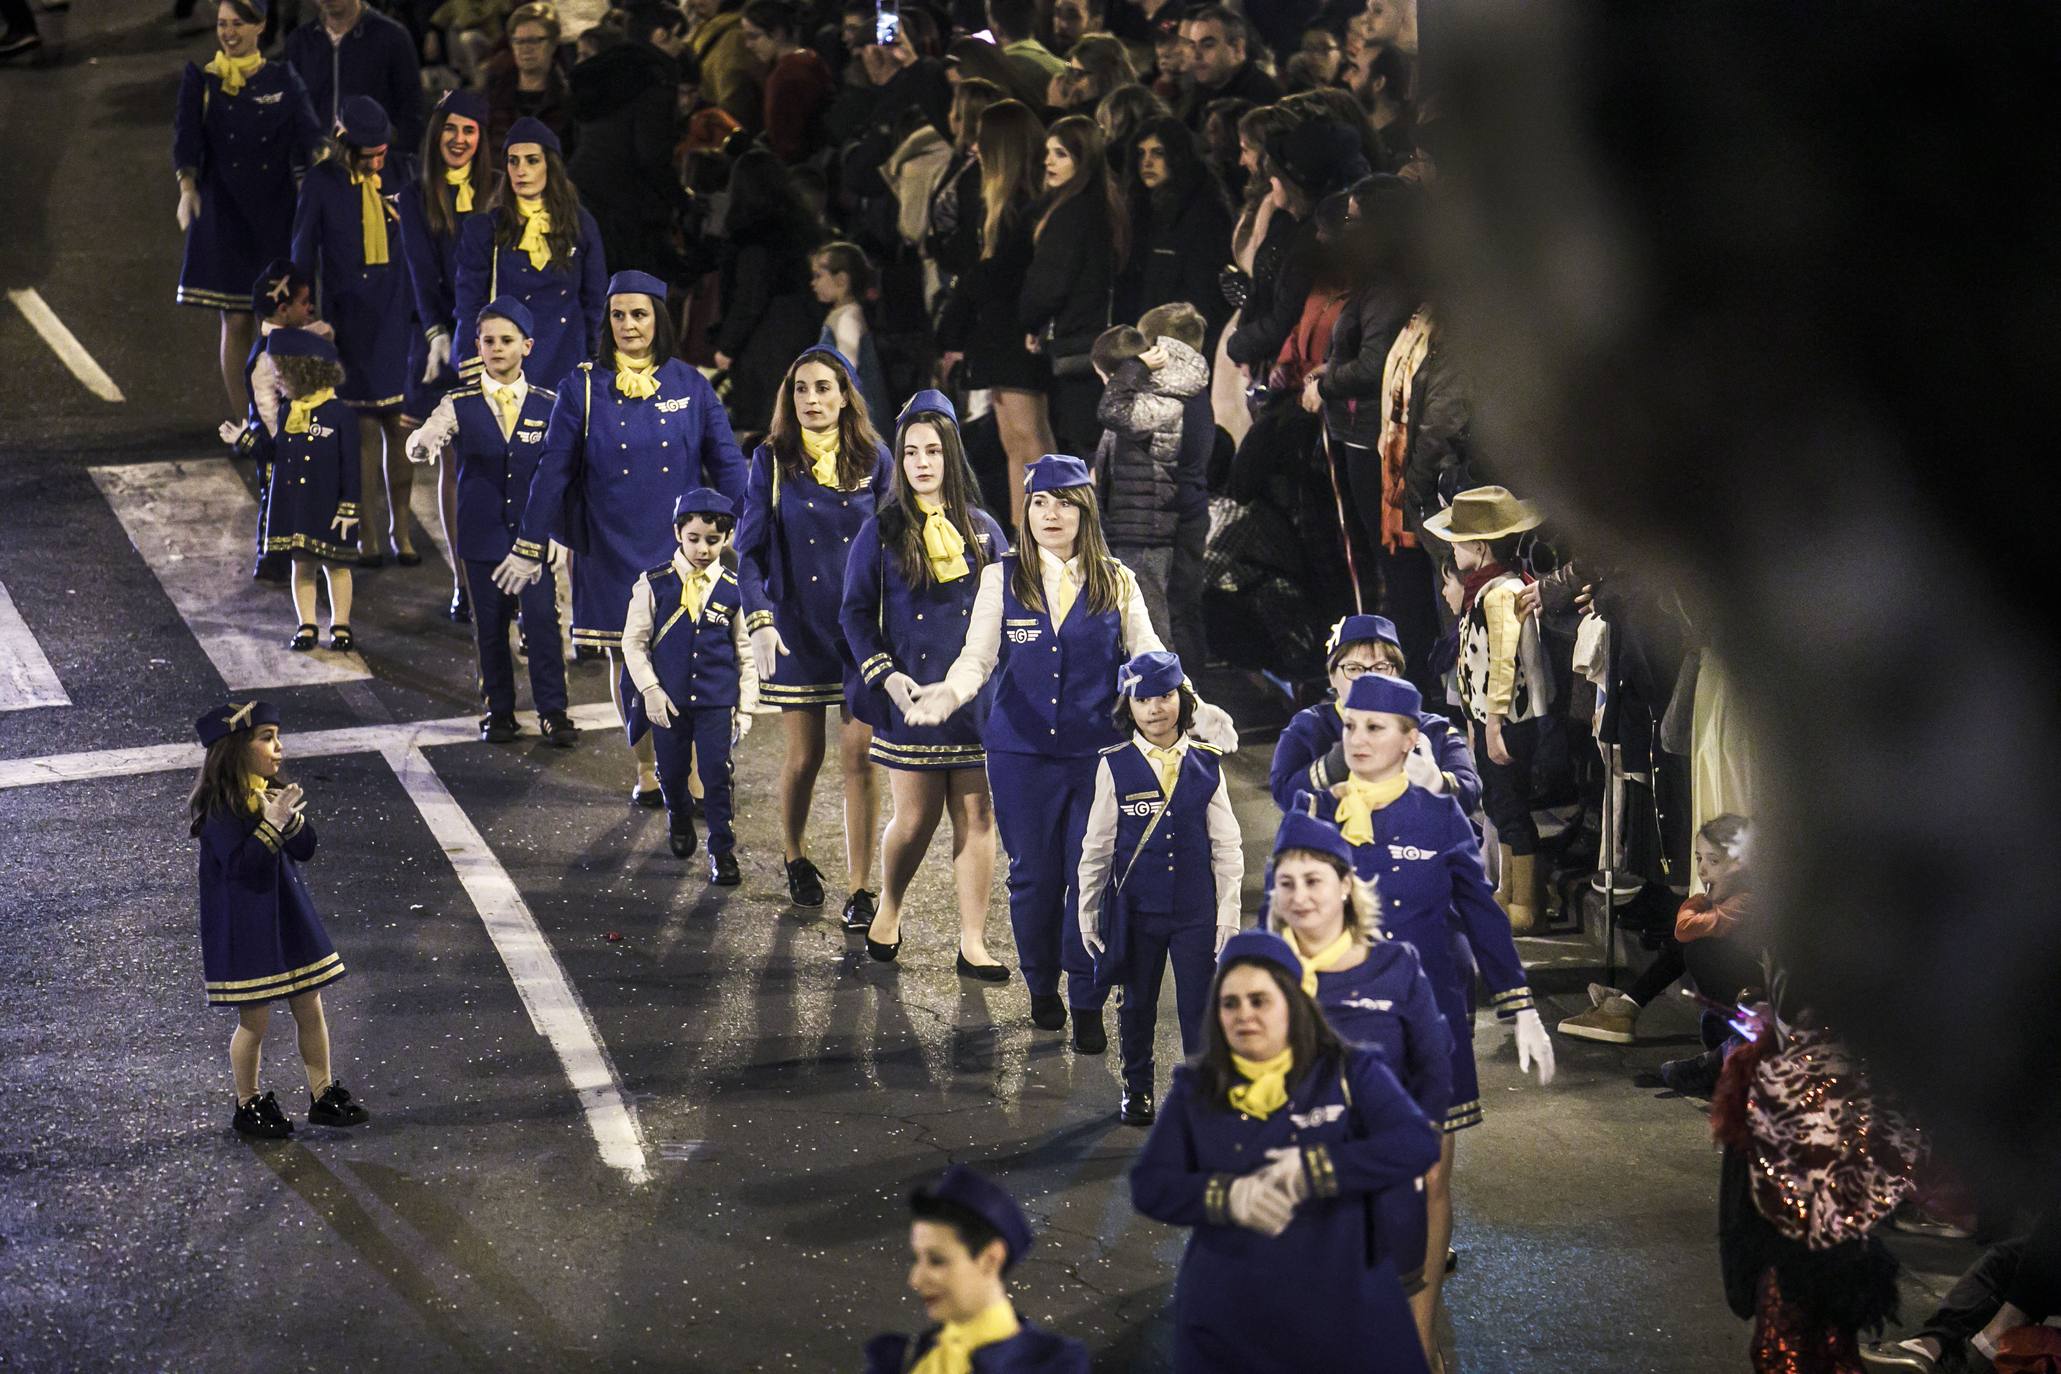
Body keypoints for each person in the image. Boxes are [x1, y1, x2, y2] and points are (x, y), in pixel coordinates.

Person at [904, 454, 1236, 1050]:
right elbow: (977, 659)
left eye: (1063, 502)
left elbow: (1148, 656)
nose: (1050, 514)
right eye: (1038, 502)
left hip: (1097, 756)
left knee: (1093, 876)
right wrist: (950, 692)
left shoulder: (1117, 579)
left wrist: (1196, 706)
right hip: (1019, 756)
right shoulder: (999, 579)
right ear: (1025, 509)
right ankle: (1041, 985)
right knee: (1034, 878)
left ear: (1086, 511)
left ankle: (1085, 995)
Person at [1289, 670, 1555, 1343]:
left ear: (1410, 739)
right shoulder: (1313, 812)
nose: (1358, 739)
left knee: (1430, 1179)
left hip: (1427, 1028)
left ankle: (1417, 1331)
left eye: (1375, 728)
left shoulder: (1440, 818)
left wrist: (1519, 1002)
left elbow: (1481, 915)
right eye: (1350, 726)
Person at [1128, 929, 1442, 1374]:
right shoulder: (1195, 1090)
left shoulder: (1351, 1071)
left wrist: (1317, 1168)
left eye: (1260, 1000)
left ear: (1292, 1005)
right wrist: (1226, 1196)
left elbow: (1415, 1142)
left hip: (1342, 1307)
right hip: (1232, 1317)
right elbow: (1151, 1185)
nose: (1244, 1015)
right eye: (1229, 1003)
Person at [493, 270, 747, 799]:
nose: (629, 325)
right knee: (629, 662)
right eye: (619, 315)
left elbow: (727, 464)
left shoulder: (690, 384)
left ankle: (696, 772)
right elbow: (553, 471)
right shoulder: (581, 385)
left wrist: (759, 531)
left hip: (683, 549)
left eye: (640, 314)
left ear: (659, 319)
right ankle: (648, 770)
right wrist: (529, 543)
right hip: (608, 546)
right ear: (607, 321)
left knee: (691, 660)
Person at [1267, 806, 1453, 1356]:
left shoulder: (1396, 967)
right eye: (1287, 883)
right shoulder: (1263, 973)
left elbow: (1432, 1068)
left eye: (1314, 880)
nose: (1301, 896)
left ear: (1346, 886)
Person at [838, 391, 1011, 976]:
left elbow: (1008, 612)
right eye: (911, 451)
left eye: (933, 450)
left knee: (977, 816)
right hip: (907, 697)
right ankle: (888, 907)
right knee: (915, 820)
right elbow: (855, 614)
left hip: (971, 702)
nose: (921, 462)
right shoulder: (880, 530)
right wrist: (885, 679)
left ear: (951, 457)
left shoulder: (986, 532)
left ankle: (972, 941)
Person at [735, 346, 892, 916]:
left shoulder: (875, 458)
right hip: (798, 626)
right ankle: (795, 855)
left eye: (824, 388)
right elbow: (747, 551)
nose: (812, 399)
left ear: (846, 394)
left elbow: (899, 543)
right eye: (801, 389)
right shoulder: (771, 460)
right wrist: (758, 619)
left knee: (861, 757)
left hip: (861, 631)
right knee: (805, 758)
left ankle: (859, 888)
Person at [189, 700, 370, 1139]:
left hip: (284, 916)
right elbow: (242, 866)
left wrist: (287, 821)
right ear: (235, 749)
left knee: (310, 1006)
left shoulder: (266, 795)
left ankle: (323, 1093)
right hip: (248, 926)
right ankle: (247, 1102)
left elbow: (306, 847)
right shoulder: (221, 810)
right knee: (255, 1021)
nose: (278, 747)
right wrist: (270, 825)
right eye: (266, 738)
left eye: (277, 736)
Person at [1075, 650, 1242, 1125]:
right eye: (1142, 698)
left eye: (1165, 696)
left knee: (1199, 1007)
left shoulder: (1209, 764)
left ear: (1182, 699)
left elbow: (1227, 846)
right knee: (1137, 1006)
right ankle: (1138, 1087)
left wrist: (1228, 912)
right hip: (1136, 911)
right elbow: (1098, 844)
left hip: (1196, 912)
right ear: (1127, 705)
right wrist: (1087, 911)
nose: (1155, 709)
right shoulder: (1115, 764)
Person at [403, 298, 577, 747]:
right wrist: (420, 444)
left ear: (527, 346)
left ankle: (553, 712)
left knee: (542, 624)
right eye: (488, 341)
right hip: (481, 538)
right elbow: (428, 436)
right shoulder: (459, 403)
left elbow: (562, 474)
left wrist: (556, 530)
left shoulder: (550, 404)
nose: (497, 349)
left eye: (506, 340)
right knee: (491, 627)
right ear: (477, 346)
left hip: (533, 538)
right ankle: (498, 711)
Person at [173, 0, 322, 420]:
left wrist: (328, 165)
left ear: (260, 27)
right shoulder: (202, 80)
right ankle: (246, 422)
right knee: (236, 320)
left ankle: (286, 414)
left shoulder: (282, 77)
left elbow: (309, 133)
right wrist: (187, 186)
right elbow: (187, 138)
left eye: (238, 23)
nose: (229, 32)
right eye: (222, 24)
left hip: (275, 213)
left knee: (279, 321)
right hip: (226, 213)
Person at [289, 95, 420, 569]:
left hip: (398, 311)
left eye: (382, 151)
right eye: (369, 154)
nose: (378, 160)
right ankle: (369, 535)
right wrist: (304, 318)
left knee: (401, 425)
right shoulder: (323, 183)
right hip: (351, 319)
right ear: (347, 147)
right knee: (365, 429)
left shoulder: (400, 175)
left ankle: (401, 530)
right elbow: (303, 249)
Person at [1420, 485, 1552, 930]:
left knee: (1512, 807)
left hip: (1509, 719)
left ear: (1478, 547)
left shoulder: (1500, 593)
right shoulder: (1484, 590)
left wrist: (1492, 722)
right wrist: (1477, 721)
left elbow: (1503, 664)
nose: (1451, 550)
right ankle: (1508, 892)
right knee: (1498, 801)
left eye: (1456, 543)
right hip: (1490, 718)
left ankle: (1527, 903)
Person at [620, 489, 758, 883]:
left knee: (717, 775)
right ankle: (678, 816)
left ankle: (722, 850)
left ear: (727, 538)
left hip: (716, 701)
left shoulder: (734, 588)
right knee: (673, 770)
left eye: (713, 540)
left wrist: (745, 708)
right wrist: (649, 689)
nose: (702, 548)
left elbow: (745, 654)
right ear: (678, 532)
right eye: (694, 538)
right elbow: (633, 642)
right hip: (669, 700)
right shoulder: (655, 583)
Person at [399, 89, 495, 622]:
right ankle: (464, 582)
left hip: (503, 351)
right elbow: (419, 272)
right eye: (450, 129)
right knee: (456, 465)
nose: (459, 140)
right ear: (436, 134)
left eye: (470, 130)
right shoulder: (415, 196)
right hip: (450, 349)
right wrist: (441, 334)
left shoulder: (499, 192)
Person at [935, 99, 1052, 527]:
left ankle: (1048, 541)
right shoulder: (997, 206)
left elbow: (998, 276)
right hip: (996, 333)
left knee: (1031, 441)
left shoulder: (1022, 207)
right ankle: (1024, 540)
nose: (975, 149)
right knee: (1012, 445)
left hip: (1015, 335)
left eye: (983, 142)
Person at [863, 1165, 1091, 1374]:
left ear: (991, 1259)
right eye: (917, 1259)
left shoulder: (1050, 1366)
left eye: (937, 1260)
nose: (915, 1279)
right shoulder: (903, 1358)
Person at [453, 116, 609, 393]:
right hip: (507, 366)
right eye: (513, 161)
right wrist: (470, 358)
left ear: (551, 165)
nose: (520, 170)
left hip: (567, 360)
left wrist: (599, 361)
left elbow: (594, 301)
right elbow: (470, 304)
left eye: (532, 160)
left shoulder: (580, 225)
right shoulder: (486, 228)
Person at [1267, 613, 1480, 816]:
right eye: (1354, 668)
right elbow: (1283, 795)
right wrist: (1332, 766)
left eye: (1380, 667)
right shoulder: (1309, 727)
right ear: (1332, 676)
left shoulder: (1432, 728)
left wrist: (1435, 783)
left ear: (1397, 673)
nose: (1367, 679)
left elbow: (1470, 794)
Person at [1021, 114, 1129, 459]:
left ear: (1084, 161)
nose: (1048, 161)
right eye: (1048, 152)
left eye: (1061, 154)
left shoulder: (1071, 214)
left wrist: (1029, 319)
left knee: (1084, 448)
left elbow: (1051, 283)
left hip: (1078, 344)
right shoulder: (1103, 207)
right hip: (1095, 341)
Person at [567, 5, 697, 279]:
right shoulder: (655, 78)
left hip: (582, 192)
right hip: (623, 208)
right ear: (661, 35)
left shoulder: (606, 72)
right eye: (678, 40)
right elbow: (651, 155)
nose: (681, 49)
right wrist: (680, 200)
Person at [711, 149, 826, 433]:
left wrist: (728, 345)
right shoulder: (800, 230)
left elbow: (750, 296)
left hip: (765, 340)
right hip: (800, 328)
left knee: (765, 423)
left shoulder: (753, 238)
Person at [259, 329, 360, 652]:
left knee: (337, 565)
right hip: (299, 506)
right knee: (302, 565)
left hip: (328, 506)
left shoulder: (341, 414)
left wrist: (349, 507)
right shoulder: (288, 412)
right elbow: (279, 453)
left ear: (301, 372)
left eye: (280, 373)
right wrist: (246, 442)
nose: (277, 381)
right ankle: (307, 624)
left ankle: (340, 623)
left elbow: (351, 467)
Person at [1134, 302, 1217, 672]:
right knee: (1183, 609)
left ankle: (1186, 697)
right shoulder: (1194, 392)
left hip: (1171, 520)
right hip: (1188, 514)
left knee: (1172, 611)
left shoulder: (1173, 397)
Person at [1118, 115, 1233, 347]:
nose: (1147, 163)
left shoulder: (1204, 212)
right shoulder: (1141, 210)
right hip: (1147, 338)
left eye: (1158, 153)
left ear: (1177, 156)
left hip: (1182, 343)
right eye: (1141, 154)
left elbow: (1204, 292)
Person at [284, 0, 423, 153]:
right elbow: (291, 110)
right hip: (318, 168)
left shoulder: (392, 37)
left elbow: (411, 111)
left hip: (374, 166)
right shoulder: (300, 41)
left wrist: (395, 164)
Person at [809, 241, 893, 428]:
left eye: (818, 276)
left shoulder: (848, 317)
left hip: (860, 419)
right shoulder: (842, 314)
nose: (813, 283)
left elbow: (847, 369)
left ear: (842, 280)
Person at [740, 0, 832, 162]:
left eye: (753, 36)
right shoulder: (811, 59)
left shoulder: (785, 76)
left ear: (777, 32)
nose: (748, 45)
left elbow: (785, 144)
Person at [485, 3, 574, 151]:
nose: (526, 48)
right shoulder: (494, 95)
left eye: (534, 40)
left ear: (553, 44)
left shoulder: (568, 98)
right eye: (519, 41)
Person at [1174, 7, 1280, 131]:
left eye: (1208, 45)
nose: (1196, 55)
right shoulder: (1197, 90)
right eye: (1192, 45)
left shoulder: (1261, 96)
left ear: (1237, 47)